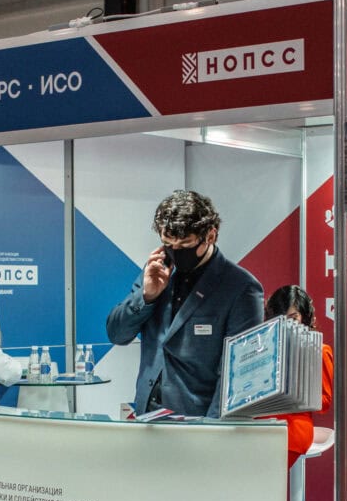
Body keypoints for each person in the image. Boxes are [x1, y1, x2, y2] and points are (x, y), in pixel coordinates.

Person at [106, 190, 264, 417]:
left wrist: (211, 430)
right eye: (168, 243)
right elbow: (117, 335)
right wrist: (147, 296)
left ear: (210, 235)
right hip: (146, 415)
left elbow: (239, 374)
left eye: (185, 244)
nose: (176, 251)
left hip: (198, 421)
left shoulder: (241, 287)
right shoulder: (155, 271)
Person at [264, 286, 334, 467]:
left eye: (293, 317)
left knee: (262, 477)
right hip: (257, 424)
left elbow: (324, 402)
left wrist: (293, 393)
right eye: (280, 318)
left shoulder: (318, 351)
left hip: (292, 428)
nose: (287, 324)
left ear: (305, 317)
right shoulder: (263, 349)